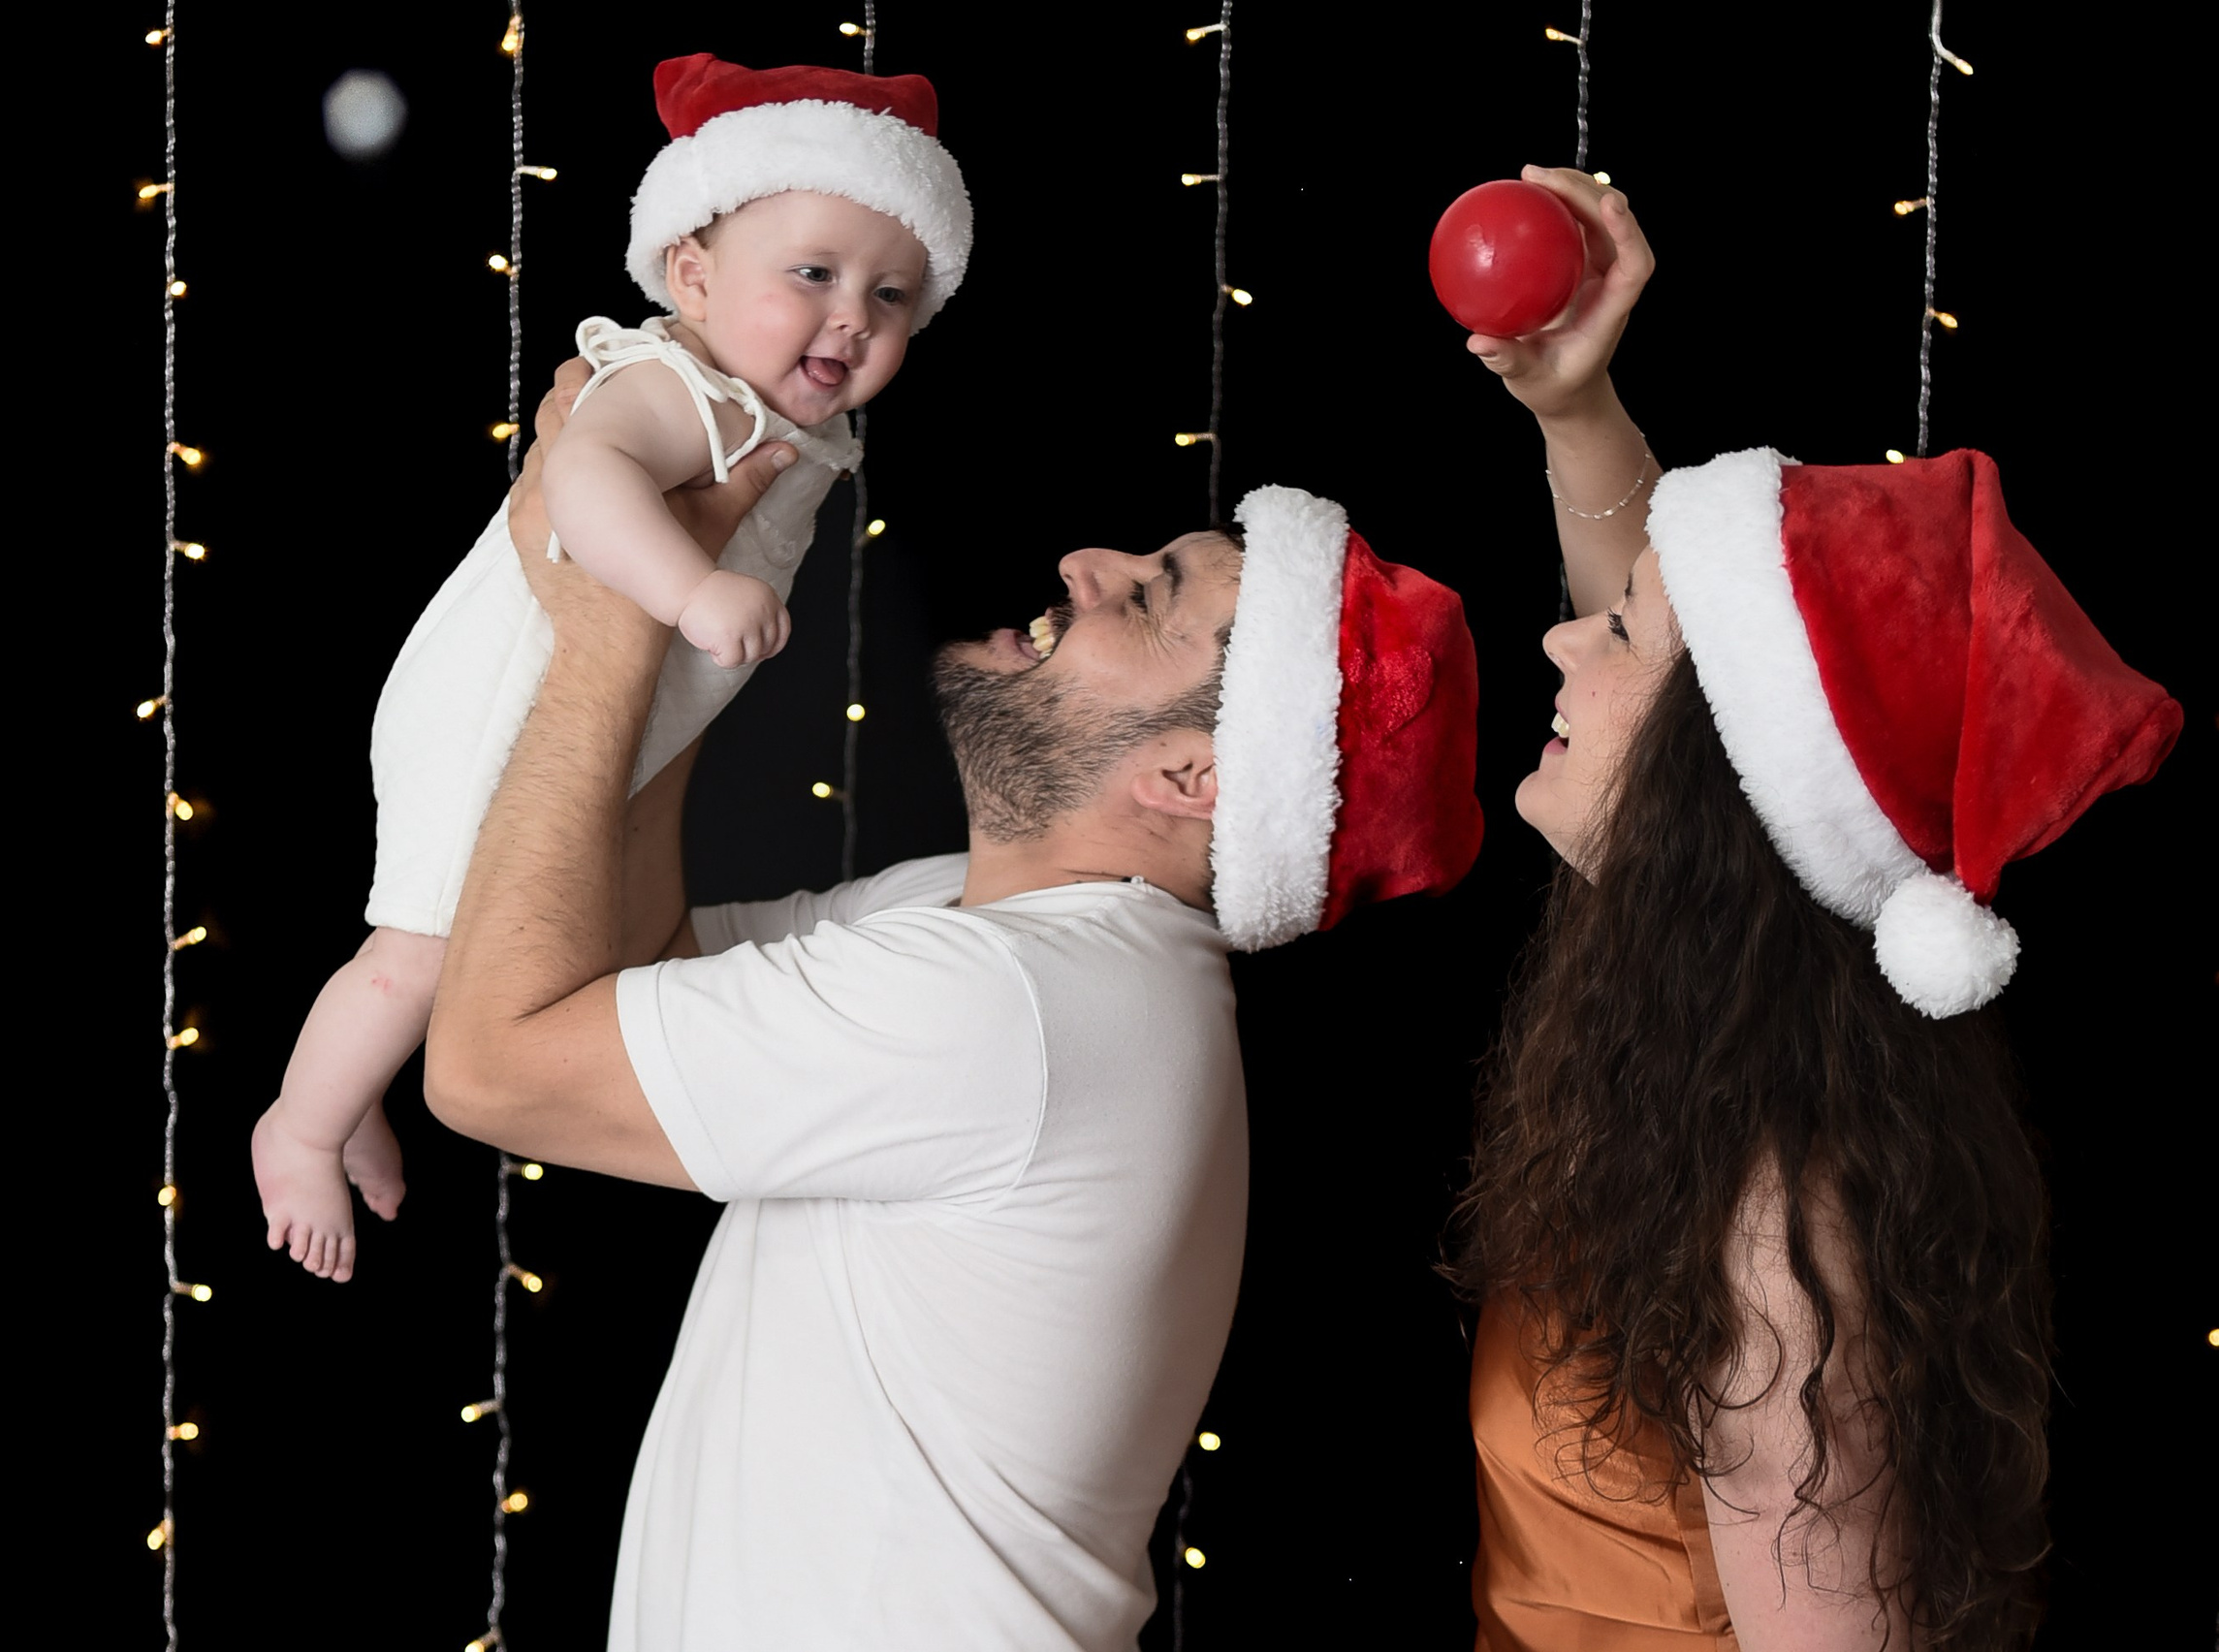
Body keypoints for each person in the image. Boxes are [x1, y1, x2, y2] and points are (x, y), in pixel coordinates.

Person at [419, 361, 1482, 1648]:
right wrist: (681, 590)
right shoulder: (989, 932)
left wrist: (605, 632)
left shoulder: (1017, 1004)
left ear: (1190, 775)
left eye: (1150, 597)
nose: (1086, 565)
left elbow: (490, 1066)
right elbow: (636, 960)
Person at [1450, 167, 2181, 1649]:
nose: (1558, 641)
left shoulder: (1781, 1239)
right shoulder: (1694, 1070)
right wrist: (1574, 408)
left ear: (1711, 791)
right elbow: (1685, 664)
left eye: (1612, 633)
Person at [249, 54, 974, 1281]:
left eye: (890, 293)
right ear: (692, 275)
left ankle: (346, 1093)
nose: (853, 315)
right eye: (812, 274)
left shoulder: (773, 416)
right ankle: (299, 1128)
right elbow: (580, 482)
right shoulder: (675, 386)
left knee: (465, 946)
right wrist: (690, 590)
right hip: (492, 705)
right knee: (425, 951)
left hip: (573, 710)